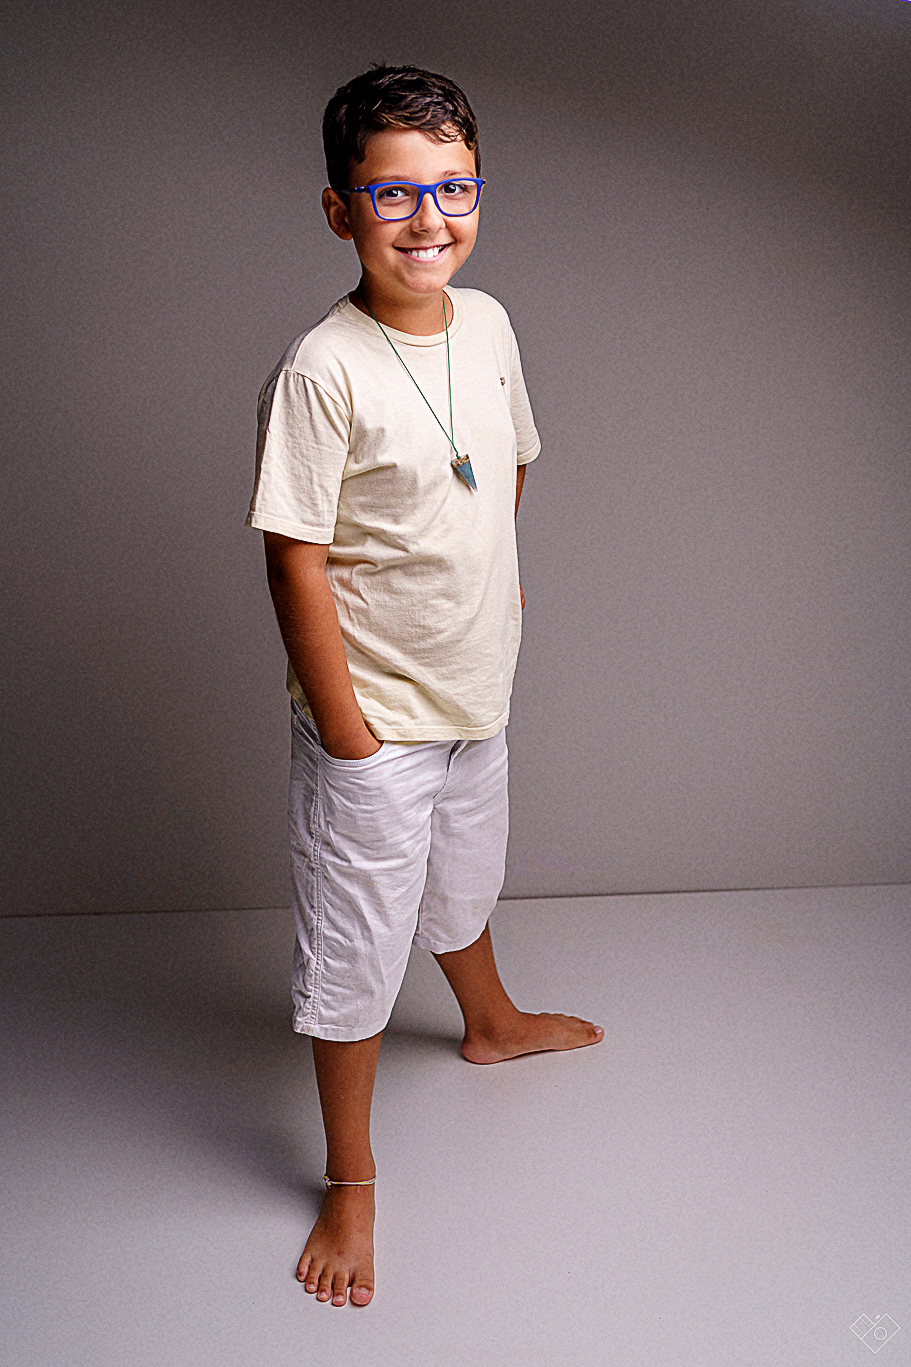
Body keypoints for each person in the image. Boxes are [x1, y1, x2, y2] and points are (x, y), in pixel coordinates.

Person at [246, 63, 603, 1309]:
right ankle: (350, 1175)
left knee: (462, 870)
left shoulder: (487, 323)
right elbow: (293, 552)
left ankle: (488, 1020)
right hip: (375, 716)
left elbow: (508, 460)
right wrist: (345, 727)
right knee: (356, 946)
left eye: (453, 188)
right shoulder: (322, 369)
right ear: (339, 210)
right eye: (392, 193)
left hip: (470, 687)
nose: (427, 218)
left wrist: (494, 578)